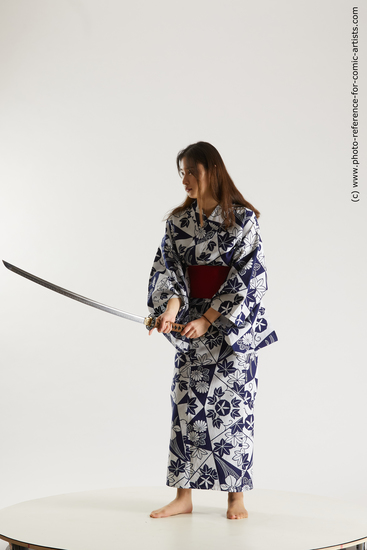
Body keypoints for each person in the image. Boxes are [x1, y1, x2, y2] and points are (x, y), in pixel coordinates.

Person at [147, 141, 278, 519]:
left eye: (192, 171)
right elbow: (168, 269)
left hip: (231, 335)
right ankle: (183, 495)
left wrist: (209, 318)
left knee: (233, 412)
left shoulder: (244, 221)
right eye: (182, 173)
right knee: (185, 409)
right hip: (190, 330)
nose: (185, 179)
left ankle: (236, 498)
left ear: (213, 171)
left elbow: (249, 278)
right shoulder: (177, 223)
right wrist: (171, 308)